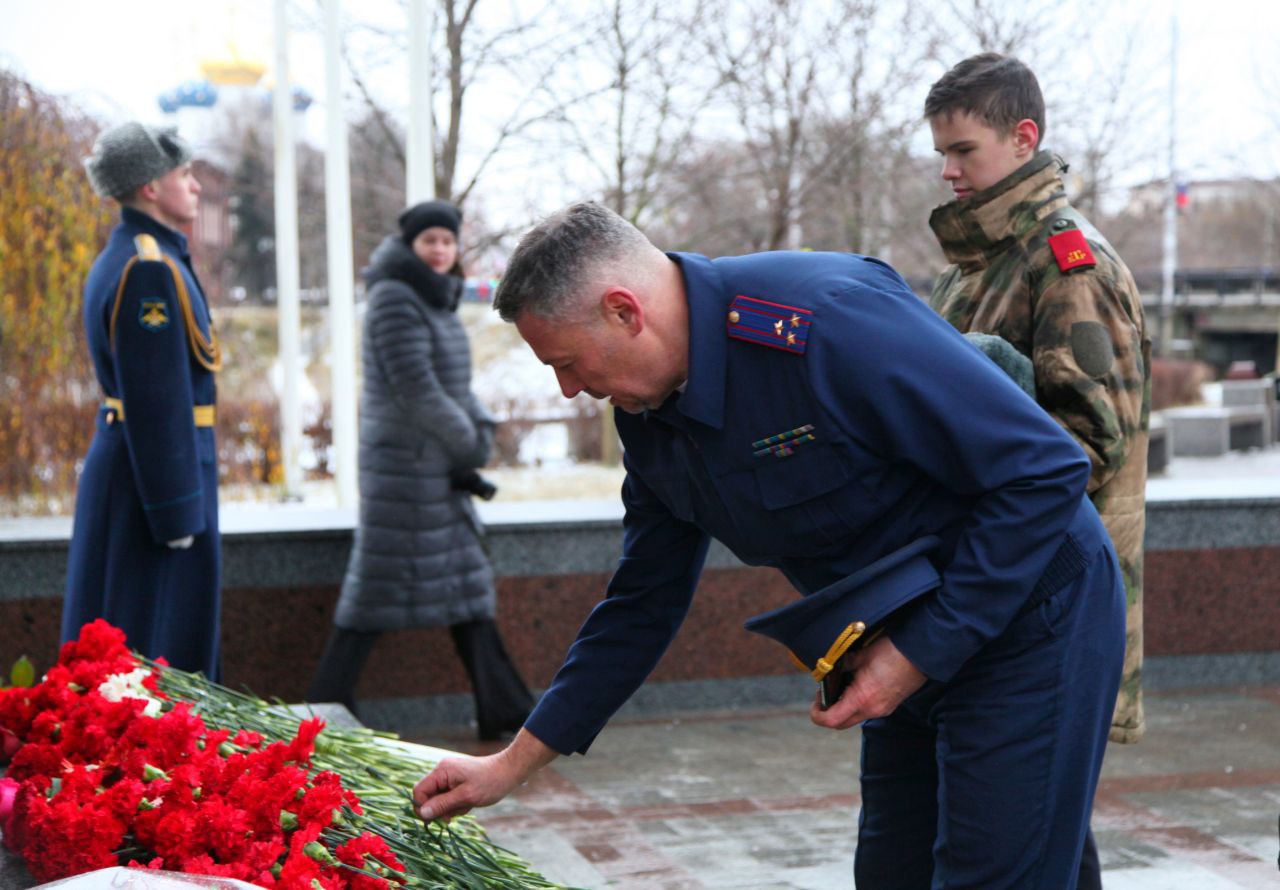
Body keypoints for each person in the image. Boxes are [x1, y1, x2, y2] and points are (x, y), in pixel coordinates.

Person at [411, 201, 1126, 888]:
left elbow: (1044, 469)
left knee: (997, 873)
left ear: (624, 311)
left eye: (565, 363)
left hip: (1033, 617)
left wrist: (916, 656)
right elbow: (642, 601)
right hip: (902, 641)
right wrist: (514, 762)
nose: (569, 391)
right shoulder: (648, 411)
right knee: (897, 873)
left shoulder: (828, 317)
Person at [924, 54, 1151, 887]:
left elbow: (1088, 445)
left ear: (1025, 139)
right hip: (1000, 594)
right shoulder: (977, 261)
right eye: (942, 153)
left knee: (1032, 838)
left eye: (965, 151)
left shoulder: (1065, 264)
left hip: (1050, 601)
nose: (948, 170)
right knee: (1042, 842)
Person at [306, 200, 533, 741]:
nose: (439, 250)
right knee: (373, 594)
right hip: (404, 470)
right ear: (410, 244)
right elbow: (416, 390)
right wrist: (469, 442)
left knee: (466, 591)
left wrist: (478, 428)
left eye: (448, 241)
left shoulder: (435, 300)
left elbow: (454, 388)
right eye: (429, 240)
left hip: (436, 466)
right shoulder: (393, 298)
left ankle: (504, 706)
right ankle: (320, 714)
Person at [62, 123, 222, 678]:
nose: (196, 186)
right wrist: (175, 510)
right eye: (184, 174)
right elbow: (157, 400)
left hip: (143, 472)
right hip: (154, 483)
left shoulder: (141, 255)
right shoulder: (148, 267)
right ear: (150, 187)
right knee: (152, 645)